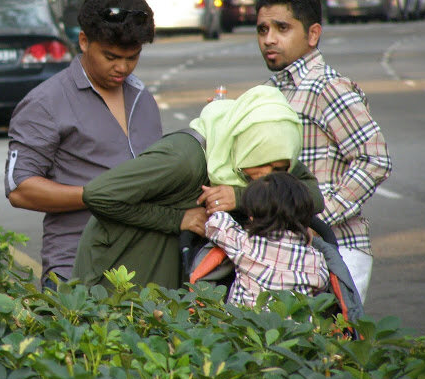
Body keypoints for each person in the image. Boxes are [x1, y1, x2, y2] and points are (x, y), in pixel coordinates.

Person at [71, 85, 325, 290]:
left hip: (169, 276)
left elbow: (311, 197)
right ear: (246, 147)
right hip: (119, 269)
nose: (270, 177)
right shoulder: (184, 159)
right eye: (263, 165)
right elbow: (98, 195)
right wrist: (179, 219)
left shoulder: (271, 151)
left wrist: (241, 196)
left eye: (280, 169)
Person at [5, 0, 162, 289]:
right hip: (75, 273)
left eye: (133, 57)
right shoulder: (45, 103)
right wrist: (95, 195)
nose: (122, 68)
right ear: (84, 41)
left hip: (143, 272)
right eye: (111, 56)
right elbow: (19, 189)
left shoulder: (143, 98)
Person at [255, 0, 392, 302]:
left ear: (312, 34)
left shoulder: (326, 86)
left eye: (282, 28)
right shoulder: (272, 90)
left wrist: (320, 218)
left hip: (336, 250)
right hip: (290, 249)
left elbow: (374, 160)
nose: (269, 39)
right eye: (262, 29)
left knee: (333, 348)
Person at [204, 171, 329, 307]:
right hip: (296, 327)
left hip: (247, 324)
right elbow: (322, 285)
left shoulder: (245, 245)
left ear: (252, 215)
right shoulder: (315, 258)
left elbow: (216, 225)